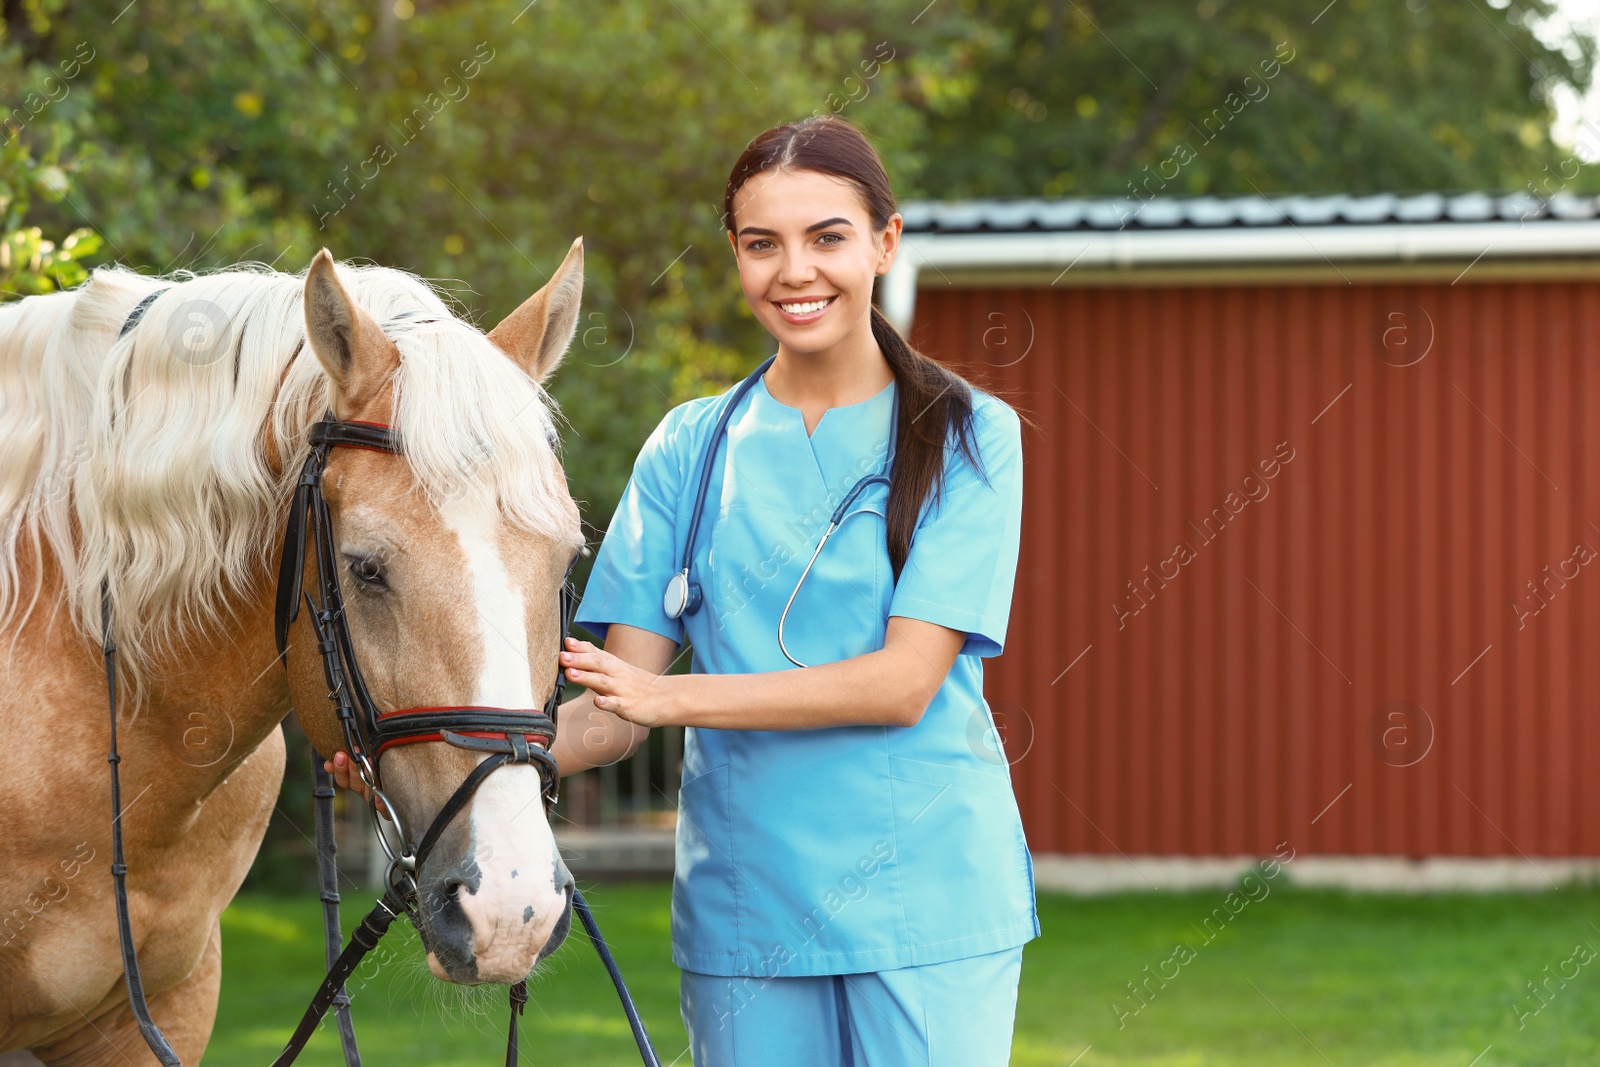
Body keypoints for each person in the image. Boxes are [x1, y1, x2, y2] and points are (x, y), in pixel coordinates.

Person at [330, 113, 1038, 1065]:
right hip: (748, 915)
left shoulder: (968, 436)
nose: (795, 272)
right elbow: (615, 715)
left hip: (929, 898)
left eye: (827, 237)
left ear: (885, 241)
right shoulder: (689, 448)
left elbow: (902, 682)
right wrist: (436, 748)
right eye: (761, 245)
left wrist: (674, 699)